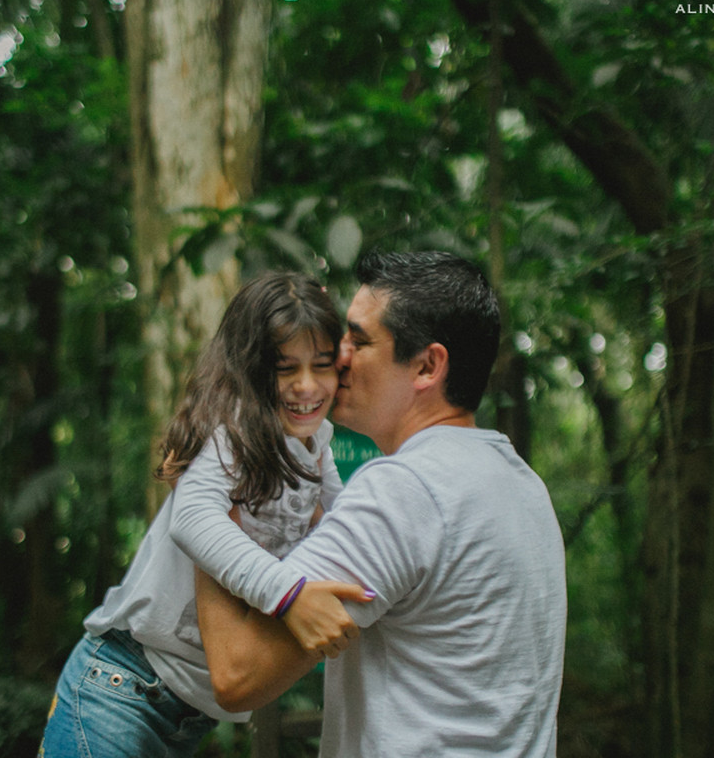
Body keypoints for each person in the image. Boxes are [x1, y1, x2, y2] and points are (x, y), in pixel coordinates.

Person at [196, 251, 568, 757]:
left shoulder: (406, 490)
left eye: (359, 339)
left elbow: (238, 674)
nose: (336, 355)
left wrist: (209, 503)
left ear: (427, 365)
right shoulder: (522, 484)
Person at [38, 271, 370, 758]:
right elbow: (192, 519)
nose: (306, 386)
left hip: (184, 718)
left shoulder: (315, 444)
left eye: (322, 366)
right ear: (251, 369)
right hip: (119, 688)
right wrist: (288, 594)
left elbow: (343, 523)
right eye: (284, 369)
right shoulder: (231, 430)